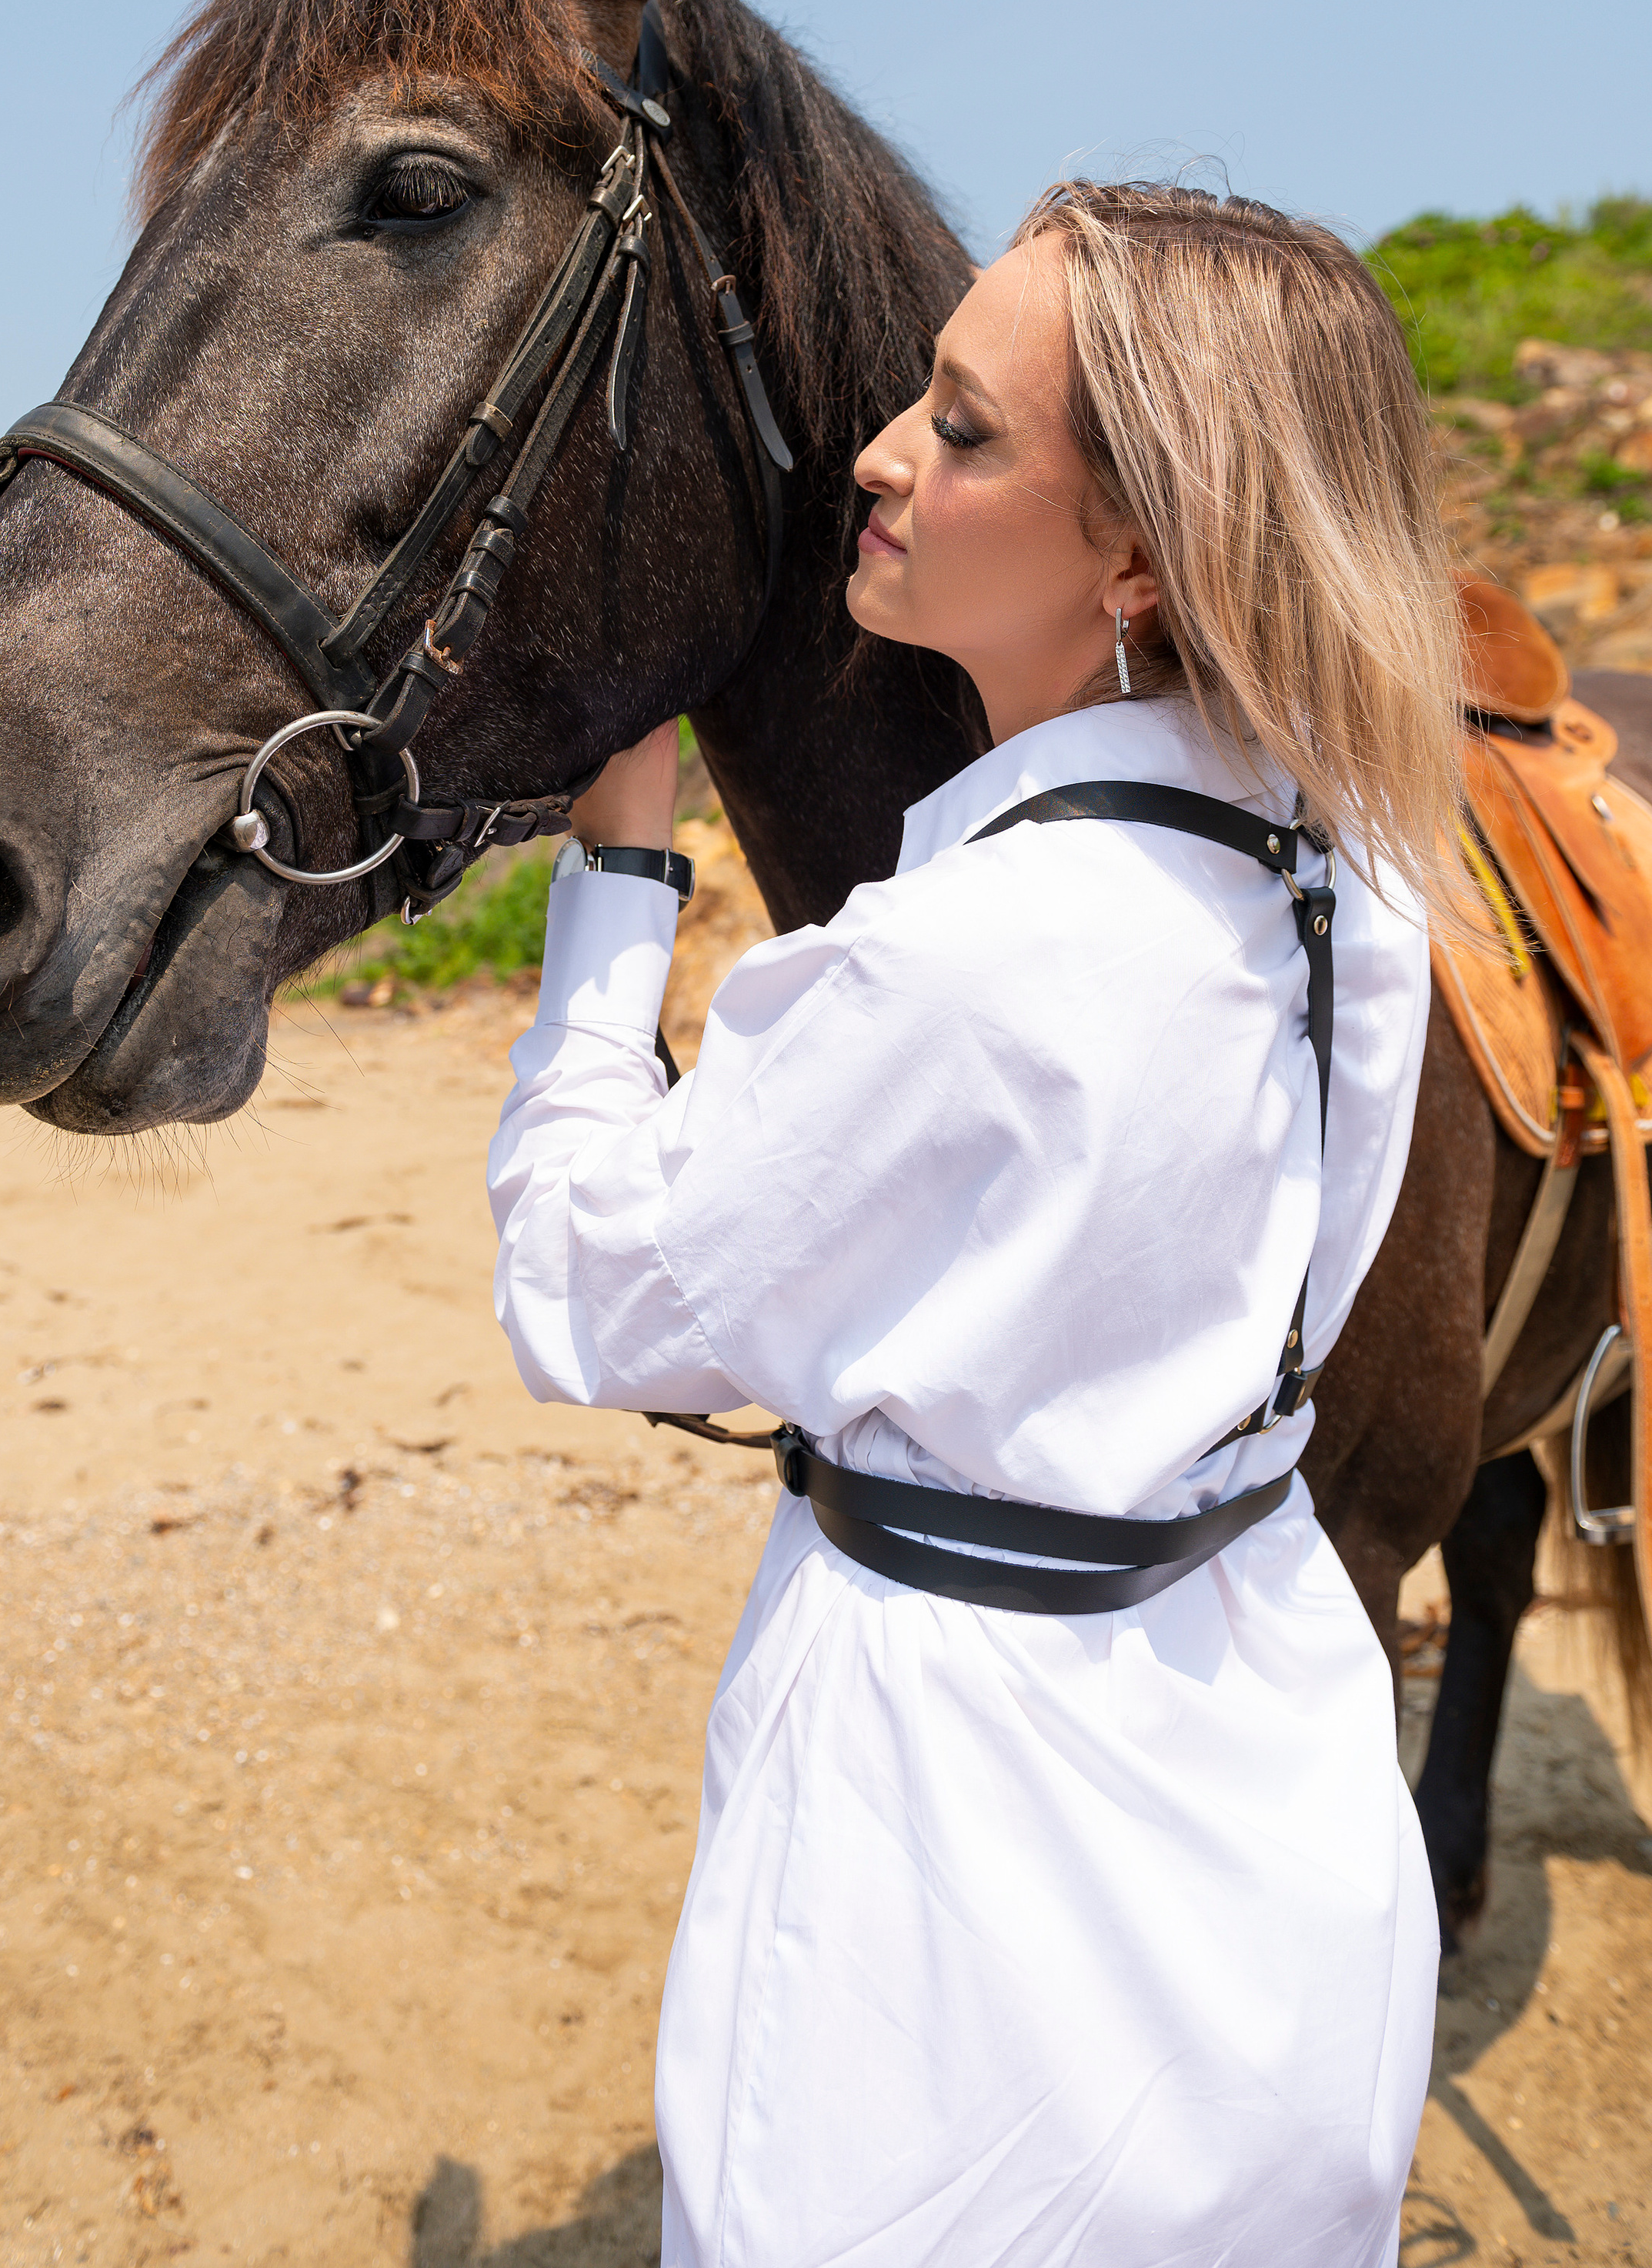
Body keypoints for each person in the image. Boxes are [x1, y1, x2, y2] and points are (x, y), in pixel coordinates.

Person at [486, 180, 1460, 2268]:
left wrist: (615, 888)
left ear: (1137, 554)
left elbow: (581, 1288)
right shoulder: (1356, 878)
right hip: (1270, 1792)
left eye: (964, 426)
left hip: (961, 1860)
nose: (879, 457)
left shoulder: (952, 964)